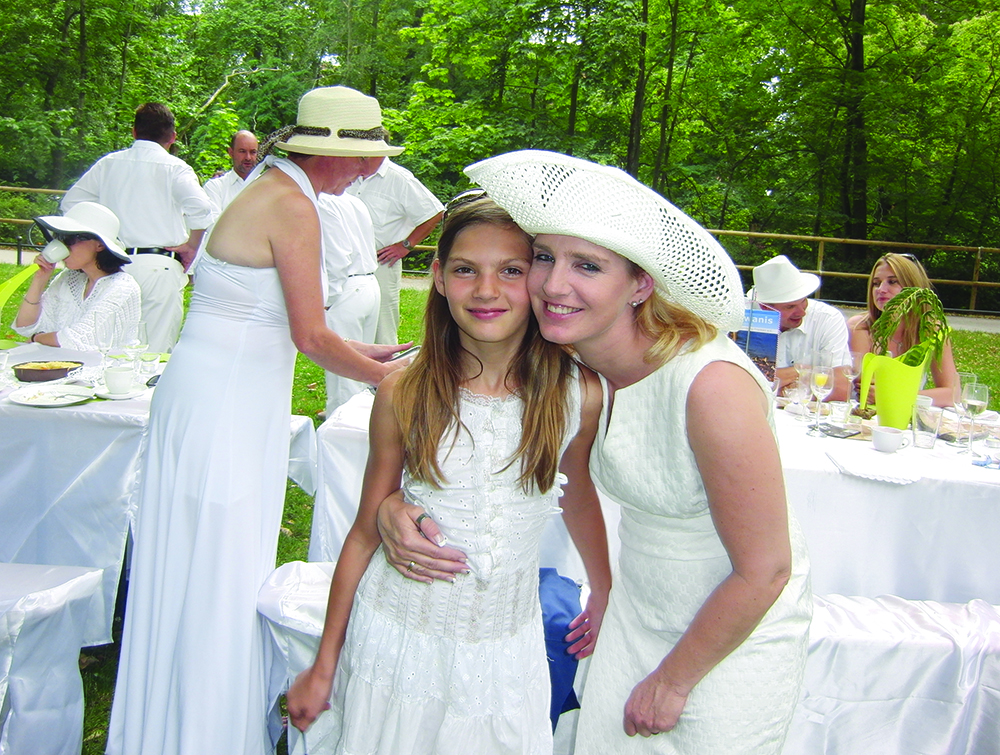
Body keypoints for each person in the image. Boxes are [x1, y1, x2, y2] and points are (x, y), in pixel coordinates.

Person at [380, 151, 813, 753]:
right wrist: (390, 504)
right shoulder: (575, 364)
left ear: (641, 284)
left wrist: (673, 680)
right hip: (634, 613)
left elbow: (766, 568)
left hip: (726, 640)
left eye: (587, 265)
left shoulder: (710, 386)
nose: (554, 285)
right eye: (544, 257)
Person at [106, 86, 411, 755]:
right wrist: (400, 381)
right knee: (218, 562)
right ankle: (202, 731)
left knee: (204, 557)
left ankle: (186, 717)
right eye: (365, 158)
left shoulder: (274, 190)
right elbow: (309, 336)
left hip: (219, 394)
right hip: (226, 407)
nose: (369, 171)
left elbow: (280, 319)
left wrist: (368, 353)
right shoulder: (293, 205)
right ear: (329, 153)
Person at [285, 194, 611, 753]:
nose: (486, 290)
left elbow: (576, 490)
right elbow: (364, 531)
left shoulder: (576, 392)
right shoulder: (404, 391)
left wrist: (603, 588)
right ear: (437, 277)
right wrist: (323, 666)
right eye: (465, 270)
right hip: (400, 637)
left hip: (505, 648)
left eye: (511, 270)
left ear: (537, 278)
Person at [61, 102, 216, 351]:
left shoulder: (109, 164)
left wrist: (98, 237)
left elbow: (72, 203)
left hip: (112, 264)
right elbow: (202, 209)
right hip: (158, 267)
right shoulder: (175, 168)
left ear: (134, 132)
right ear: (172, 137)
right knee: (154, 351)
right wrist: (191, 245)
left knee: (107, 346)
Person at [12, 201, 140, 349]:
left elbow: (79, 339)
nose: (62, 246)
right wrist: (40, 278)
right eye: (59, 238)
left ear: (99, 245)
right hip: (61, 361)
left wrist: (36, 338)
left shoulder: (122, 287)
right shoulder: (68, 278)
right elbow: (25, 325)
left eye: (70, 239)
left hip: (106, 363)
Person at [346, 156, 444, 344]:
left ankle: (387, 362)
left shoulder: (399, 179)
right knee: (347, 322)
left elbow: (434, 213)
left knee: (383, 326)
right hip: (346, 263)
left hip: (381, 263)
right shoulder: (348, 172)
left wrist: (405, 245)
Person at [847, 252, 959, 407]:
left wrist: (897, 395)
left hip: (907, 412)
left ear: (913, 287)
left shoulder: (932, 329)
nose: (881, 289)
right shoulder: (860, 327)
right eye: (876, 283)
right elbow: (867, 390)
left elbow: (953, 394)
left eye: (892, 282)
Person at [749, 254, 852, 400]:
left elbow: (842, 388)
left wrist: (775, 384)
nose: (802, 312)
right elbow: (737, 384)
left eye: (804, 301)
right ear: (765, 307)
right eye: (790, 306)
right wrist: (806, 372)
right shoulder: (743, 320)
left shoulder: (827, 318)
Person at [317, 187, 382, 413]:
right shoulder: (353, 201)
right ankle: (358, 420)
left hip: (346, 287)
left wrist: (328, 299)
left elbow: (337, 256)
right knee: (358, 370)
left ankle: (342, 425)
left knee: (343, 376)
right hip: (368, 283)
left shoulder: (323, 202)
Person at [203, 130, 259, 213]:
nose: (248, 157)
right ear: (231, 152)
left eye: (253, 152)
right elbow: (214, 221)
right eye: (242, 151)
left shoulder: (268, 187)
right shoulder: (215, 188)